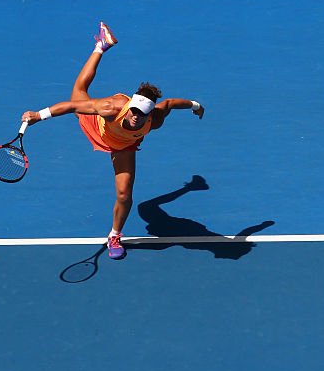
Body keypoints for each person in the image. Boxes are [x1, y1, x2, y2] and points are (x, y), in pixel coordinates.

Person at [21, 22, 205, 260]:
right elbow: (72, 106)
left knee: (124, 196)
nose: (134, 115)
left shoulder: (155, 119)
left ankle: (114, 235)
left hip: (124, 146)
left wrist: (196, 106)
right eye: (133, 109)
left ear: (149, 115)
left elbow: (169, 103)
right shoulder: (110, 108)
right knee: (79, 91)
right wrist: (39, 115)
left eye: (140, 113)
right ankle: (101, 45)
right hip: (98, 127)